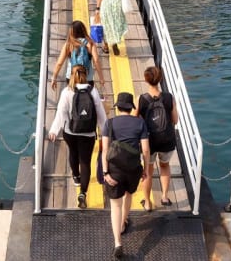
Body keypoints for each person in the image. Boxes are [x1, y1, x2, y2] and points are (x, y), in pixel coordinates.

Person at [48, 64, 107, 209]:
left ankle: (76, 177)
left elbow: (61, 113)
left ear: (71, 75)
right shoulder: (93, 92)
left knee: (73, 154)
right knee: (85, 162)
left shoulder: (67, 92)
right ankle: (83, 194)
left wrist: (54, 130)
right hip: (88, 133)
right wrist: (105, 131)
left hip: (70, 132)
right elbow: (100, 114)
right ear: (86, 75)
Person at [101, 92, 150, 260]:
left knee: (115, 206)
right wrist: (144, 170)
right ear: (131, 108)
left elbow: (105, 150)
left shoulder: (110, 123)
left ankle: (118, 243)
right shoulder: (140, 123)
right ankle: (124, 222)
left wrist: (105, 172)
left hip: (114, 170)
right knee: (129, 194)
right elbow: (145, 150)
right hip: (133, 169)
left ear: (118, 107)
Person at [137, 65, 179, 210]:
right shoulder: (168, 97)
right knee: (164, 166)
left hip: (149, 141)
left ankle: (147, 202)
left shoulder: (141, 99)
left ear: (146, 79)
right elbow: (175, 120)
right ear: (160, 79)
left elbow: (134, 120)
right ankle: (165, 197)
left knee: (148, 170)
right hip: (167, 140)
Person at [50, 19, 106, 90]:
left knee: (73, 98)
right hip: (87, 78)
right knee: (87, 98)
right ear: (84, 30)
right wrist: (101, 78)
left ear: (71, 32)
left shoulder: (68, 44)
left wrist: (54, 78)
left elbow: (59, 63)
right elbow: (96, 61)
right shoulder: (91, 44)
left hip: (72, 78)